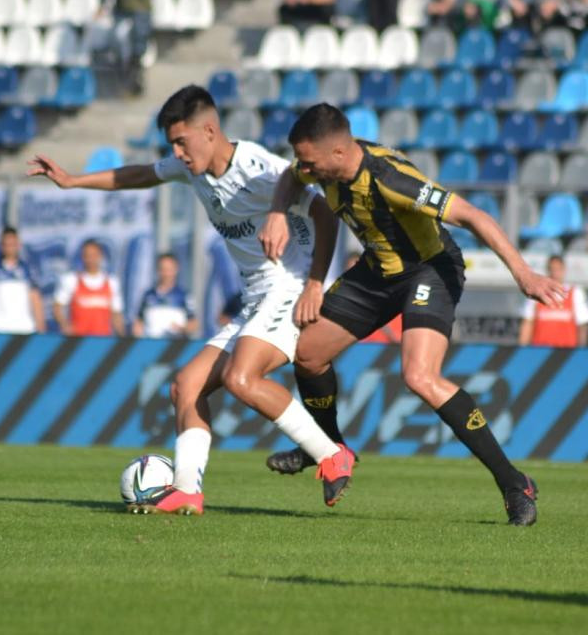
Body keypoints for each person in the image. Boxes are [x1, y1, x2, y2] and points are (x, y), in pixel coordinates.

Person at [28, 85, 354, 515]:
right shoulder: (192, 168)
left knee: (241, 379)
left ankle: (332, 455)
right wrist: (73, 181)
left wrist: (315, 284)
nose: (178, 153)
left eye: (182, 142)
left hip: (287, 290)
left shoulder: (257, 168)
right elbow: (140, 174)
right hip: (255, 298)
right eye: (172, 145)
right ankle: (187, 490)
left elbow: (324, 211)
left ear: (209, 130)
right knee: (185, 386)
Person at [259, 104, 565, 526]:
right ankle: (330, 447)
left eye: (312, 162)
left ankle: (515, 483)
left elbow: (472, 215)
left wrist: (524, 273)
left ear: (339, 154)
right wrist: (277, 215)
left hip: (430, 269)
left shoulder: (392, 179)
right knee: (308, 352)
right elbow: (291, 176)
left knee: (420, 376)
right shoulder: (317, 166)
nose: (306, 169)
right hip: (378, 270)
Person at [0, 226, 46, 335]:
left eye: (12, 244)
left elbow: (35, 298)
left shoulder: (28, 269)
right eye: (6, 244)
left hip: (23, 328)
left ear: (18, 245)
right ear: (1, 246)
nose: (9, 248)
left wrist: (40, 324)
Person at [53, 239, 125, 337]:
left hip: (103, 342)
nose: (91, 259)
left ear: (100, 256)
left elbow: (116, 315)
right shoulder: (71, 280)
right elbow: (57, 307)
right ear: (82, 257)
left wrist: (122, 337)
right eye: (87, 255)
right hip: (77, 342)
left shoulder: (112, 282)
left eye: (94, 255)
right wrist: (65, 325)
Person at [518, 255, 588, 347]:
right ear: (547, 270)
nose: (555, 273)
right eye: (552, 269)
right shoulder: (537, 292)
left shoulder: (575, 293)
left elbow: (582, 326)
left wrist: (580, 352)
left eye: (558, 269)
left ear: (564, 270)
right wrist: (522, 349)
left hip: (566, 353)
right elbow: (527, 323)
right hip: (539, 351)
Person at [132, 253, 198, 339]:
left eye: (169, 269)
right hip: (151, 345)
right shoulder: (148, 295)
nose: (166, 273)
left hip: (176, 345)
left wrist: (183, 329)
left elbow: (194, 323)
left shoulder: (184, 296)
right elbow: (139, 321)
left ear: (176, 269)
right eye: (163, 269)